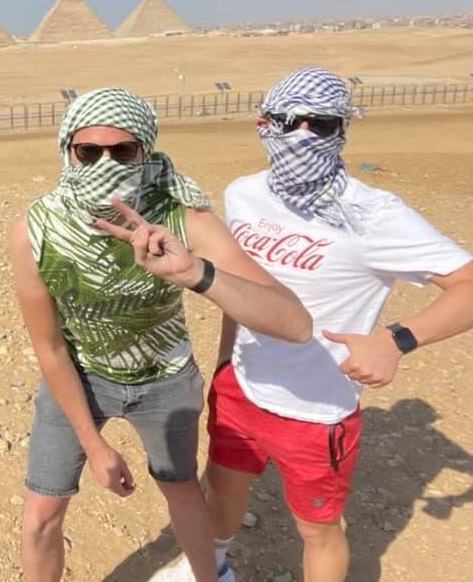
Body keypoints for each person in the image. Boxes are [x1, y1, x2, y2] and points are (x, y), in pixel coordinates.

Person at [153, 66, 473, 582]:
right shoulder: (243, 195)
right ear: (264, 124)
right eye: (289, 121)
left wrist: (396, 340)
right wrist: (224, 363)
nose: (303, 135)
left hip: (317, 409)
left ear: (342, 130)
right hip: (242, 385)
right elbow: (242, 286)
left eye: (321, 124)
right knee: (223, 484)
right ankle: (210, 568)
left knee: (317, 529)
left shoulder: (373, 214)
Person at [8, 87, 313, 582]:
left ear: (145, 152)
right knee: (40, 516)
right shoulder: (34, 229)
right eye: (89, 151)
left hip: (164, 379)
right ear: (68, 151)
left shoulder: (182, 218)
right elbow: (51, 346)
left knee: (181, 490)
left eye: (123, 151)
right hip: (80, 377)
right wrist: (95, 446)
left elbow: (294, 323)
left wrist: (194, 272)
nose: (105, 164)